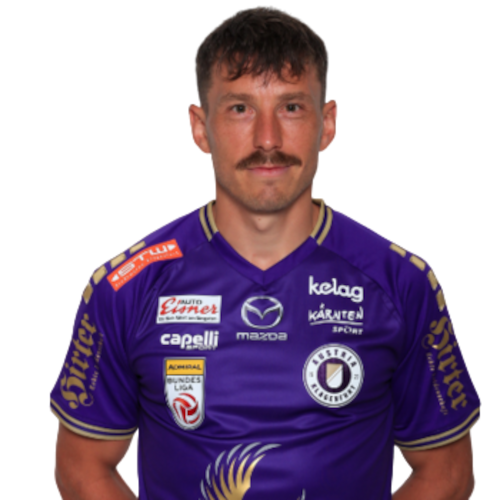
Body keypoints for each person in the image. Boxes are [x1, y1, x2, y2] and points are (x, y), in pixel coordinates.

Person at [50, 6, 480, 499]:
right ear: (199, 128)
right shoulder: (125, 286)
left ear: (328, 124)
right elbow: (83, 469)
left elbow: (447, 473)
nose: (268, 139)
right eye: (240, 108)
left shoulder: (401, 282)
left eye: (291, 107)